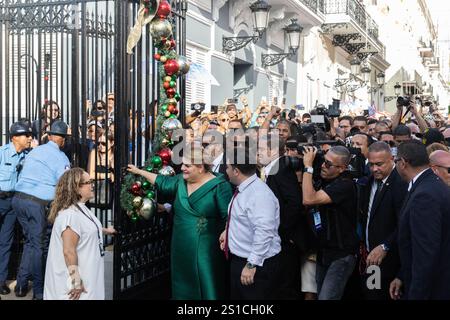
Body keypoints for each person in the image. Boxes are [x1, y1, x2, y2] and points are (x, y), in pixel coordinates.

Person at [127, 144, 233, 299]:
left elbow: (229, 217)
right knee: (182, 285)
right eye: (183, 164)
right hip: (180, 246)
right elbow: (162, 182)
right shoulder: (180, 181)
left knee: (207, 284)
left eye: (187, 165)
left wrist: (226, 232)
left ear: (201, 167)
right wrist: (138, 171)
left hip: (206, 250)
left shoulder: (220, 186)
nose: (182, 168)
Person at [12, 120, 71, 300]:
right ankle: (39, 291)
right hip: (37, 204)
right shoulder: (62, 158)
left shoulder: (36, 150)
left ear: (49, 135)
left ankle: (21, 285)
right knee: (38, 246)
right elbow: (64, 186)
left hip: (18, 199)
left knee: (31, 242)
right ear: (62, 139)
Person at [390, 141, 450, 300]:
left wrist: (416, 294)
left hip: (433, 289)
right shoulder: (427, 185)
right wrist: (402, 275)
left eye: (395, 161)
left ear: (402, 163)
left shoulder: (425, 195)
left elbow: (425, 254)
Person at [44, 168, 116, 300]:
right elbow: (68, 251)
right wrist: (76, 281)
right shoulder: (70, 215)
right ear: (76, 188)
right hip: (73, 286)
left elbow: (87, 229)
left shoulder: (81, 208)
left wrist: (106, 230)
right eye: (89, 182)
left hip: (89, 276)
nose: (93, 185)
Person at [220, 147, 281, 300]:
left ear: (236, 171)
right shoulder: (244, 189)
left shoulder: (259, 194)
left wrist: (251, 264)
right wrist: (227, 232)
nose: (225, 170)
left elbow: (264, 231)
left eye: (227, 167)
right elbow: (241, 217)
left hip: (256, 265)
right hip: (241, 260)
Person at [302, 146, 358, 300]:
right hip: (323, 251)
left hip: (341, 255)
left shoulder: (345, 185)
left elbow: (308, 199)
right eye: (323, 161)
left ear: (342, 168)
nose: (322, 166)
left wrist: (308, 167)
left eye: (328, 164)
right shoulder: (324, 180)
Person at [258, 135, 308, 299]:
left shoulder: (281, 169)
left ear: (272, 150)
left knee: (284, 287)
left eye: (260, 149)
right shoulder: (272, 168)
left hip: (285, 239)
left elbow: (294, 202)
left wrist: (282, 231)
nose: (256, 153)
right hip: (278, 237)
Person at [359, 142, 408, 299]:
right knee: (371, 294)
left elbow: (404, 224)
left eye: (379, 164)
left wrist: (386, 245)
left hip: (392, 262)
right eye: (371, 164)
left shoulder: (401, 184)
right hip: (369, 259)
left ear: (392, 159)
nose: (374, 169)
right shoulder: (368, 181)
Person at [0, 122, 33, 296]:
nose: (29, 138)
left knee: (5, 242)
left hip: (13, 202)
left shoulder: (28, 155)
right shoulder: (1, 153)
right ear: (14, 138)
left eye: (30, 135)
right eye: (25, 135)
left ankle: (0, 281)